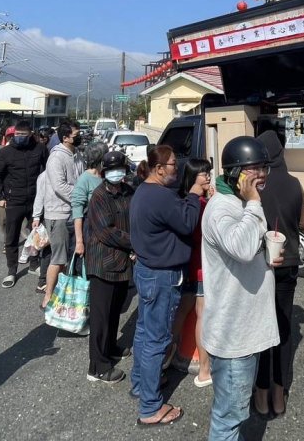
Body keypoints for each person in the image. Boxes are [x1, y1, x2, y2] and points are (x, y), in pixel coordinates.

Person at [201, 136, 282, 440]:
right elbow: (242, 247)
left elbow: (247, 254)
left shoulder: (240, 203)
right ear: (236, 172)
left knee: (234, 410)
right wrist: (255, 204)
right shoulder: (222, 208)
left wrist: (267, 257)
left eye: (264, 168)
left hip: (246, 330)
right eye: (254, 169)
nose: (261, 175)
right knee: (229, 417)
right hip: (233, 334)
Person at [129, 145, 202, 428]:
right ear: (159, 169)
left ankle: (140, 383)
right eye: (173, 164)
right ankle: (150, 407)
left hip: (147, 272)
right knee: (157, 339)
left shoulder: (144, 191)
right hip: (161, 276)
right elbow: (186, 223)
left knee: (145, 332)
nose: (177, 167)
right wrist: (195, 193)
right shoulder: (159, 196)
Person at [253, 130, 304, 418]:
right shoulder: (294, 182)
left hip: (263, 266)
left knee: (263, 330)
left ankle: (260, 396)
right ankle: (279, 394)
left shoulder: (256, 184)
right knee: (284, 330)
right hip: (289, 264)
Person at [84, 150, 135, 384]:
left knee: (115, 309)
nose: (117, 173)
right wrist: (136, 242)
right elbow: (106, 232)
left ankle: (111, 347)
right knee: (101, 316)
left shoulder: (127, 191)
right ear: (104, 172)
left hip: (122, 261)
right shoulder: (99, 195)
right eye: (112, 169)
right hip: (103, 262)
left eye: (121, 168)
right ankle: (98, 366)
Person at [169, 158, 215, 388]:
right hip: (201, 267)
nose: (207, 176)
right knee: (202, 315)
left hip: (186, 265)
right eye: (203, 173)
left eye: (208, 172)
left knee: (183, 310)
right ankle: (205, 370)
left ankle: (169, 352)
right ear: (192, 177)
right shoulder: (199, 203)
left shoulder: (182, 200)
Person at [0, 120, 48, 289]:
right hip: (13, 200)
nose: (20, 138)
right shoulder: (5, 152)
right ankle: (11, 270)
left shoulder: (40, 149)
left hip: (35, 201)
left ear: (31, 134)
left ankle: (34, 264)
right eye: (17, 135)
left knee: (37, 235)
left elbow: (48, 170)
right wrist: (0, 197)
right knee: (12, 237)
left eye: (23, 135)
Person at [34, 120, 85, 297]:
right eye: (76, 135)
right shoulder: (56, 157)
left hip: (75, 213)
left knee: (71, 257)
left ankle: (63, 294)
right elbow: (59, 186)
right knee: (59, 258)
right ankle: (48, 295)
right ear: (65, 138)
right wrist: (81, 196)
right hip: (59, 214)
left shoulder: (77, 154)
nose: (80, 138)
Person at [71, 141, 108, 258]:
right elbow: (77, 213)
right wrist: (79, 242)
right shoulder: (84, 179)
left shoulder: (105, 176)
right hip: (90, 231)